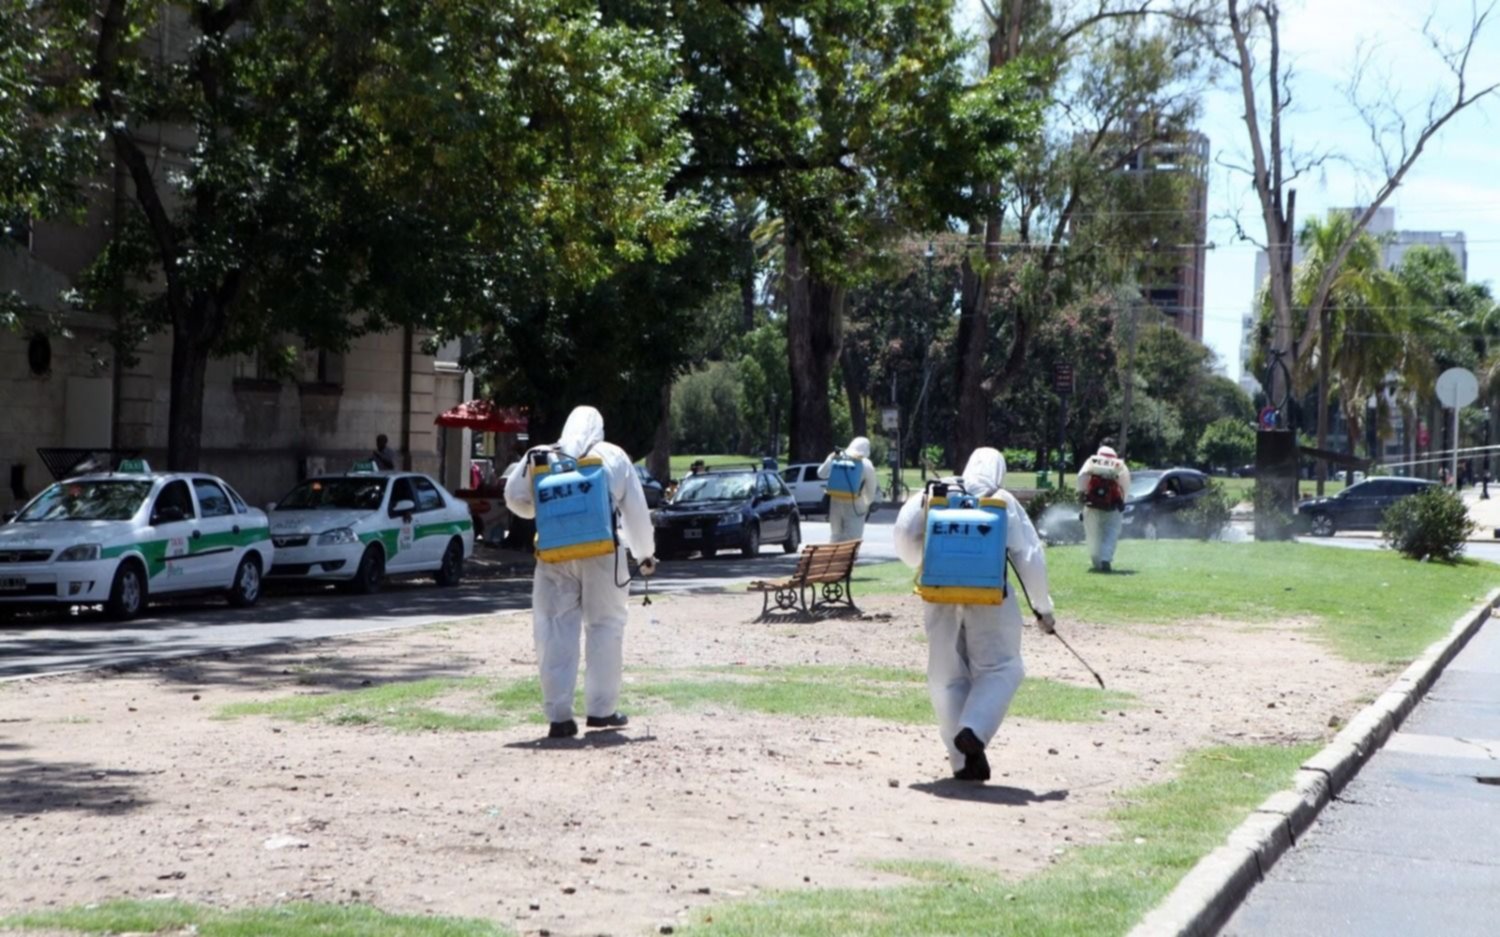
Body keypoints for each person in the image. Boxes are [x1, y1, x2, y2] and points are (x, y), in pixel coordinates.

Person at [894, 447, 1056, 781]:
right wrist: (1043, 609)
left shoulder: (933, 493)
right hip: (990, 598)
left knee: (945, 677)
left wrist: (925, 563)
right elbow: (1030, 558)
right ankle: (974, 729)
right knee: (1003, 667)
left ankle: (961, 759)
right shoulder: (1003, 500)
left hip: (938, 595)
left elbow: (903, 536)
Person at [504, 406, 657, 739]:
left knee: (555, 630)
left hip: (555, 555)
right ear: (598, 430)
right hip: (604, 554)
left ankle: (559, 717)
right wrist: (645, 554)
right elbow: (636, 512)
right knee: (605, 627)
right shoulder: (613, 456)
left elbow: (513, 498)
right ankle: (602, 712)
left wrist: (541, 508)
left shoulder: (541, 455)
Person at [1075, 441, 1131, 573]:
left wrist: (1082, 497)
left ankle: (1096, 561)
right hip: (1113, 507)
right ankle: (1105, 559)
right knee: (1111, 533)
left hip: (1092, 506)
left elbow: (1081, 479)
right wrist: (1122, 501)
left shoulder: (1091, 463)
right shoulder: (1120, 466)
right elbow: (1126, 486)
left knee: (1093, 535)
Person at [817, 436, 879, 542]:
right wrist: (867, 504)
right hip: (855, 504)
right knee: (853, 539)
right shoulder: (866, 464)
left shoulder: (837, 456)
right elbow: (871, 489)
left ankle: (835, 557)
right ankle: (848, 558)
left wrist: (830, 458)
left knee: (835, 535)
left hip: (835, 502)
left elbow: (821, 473)